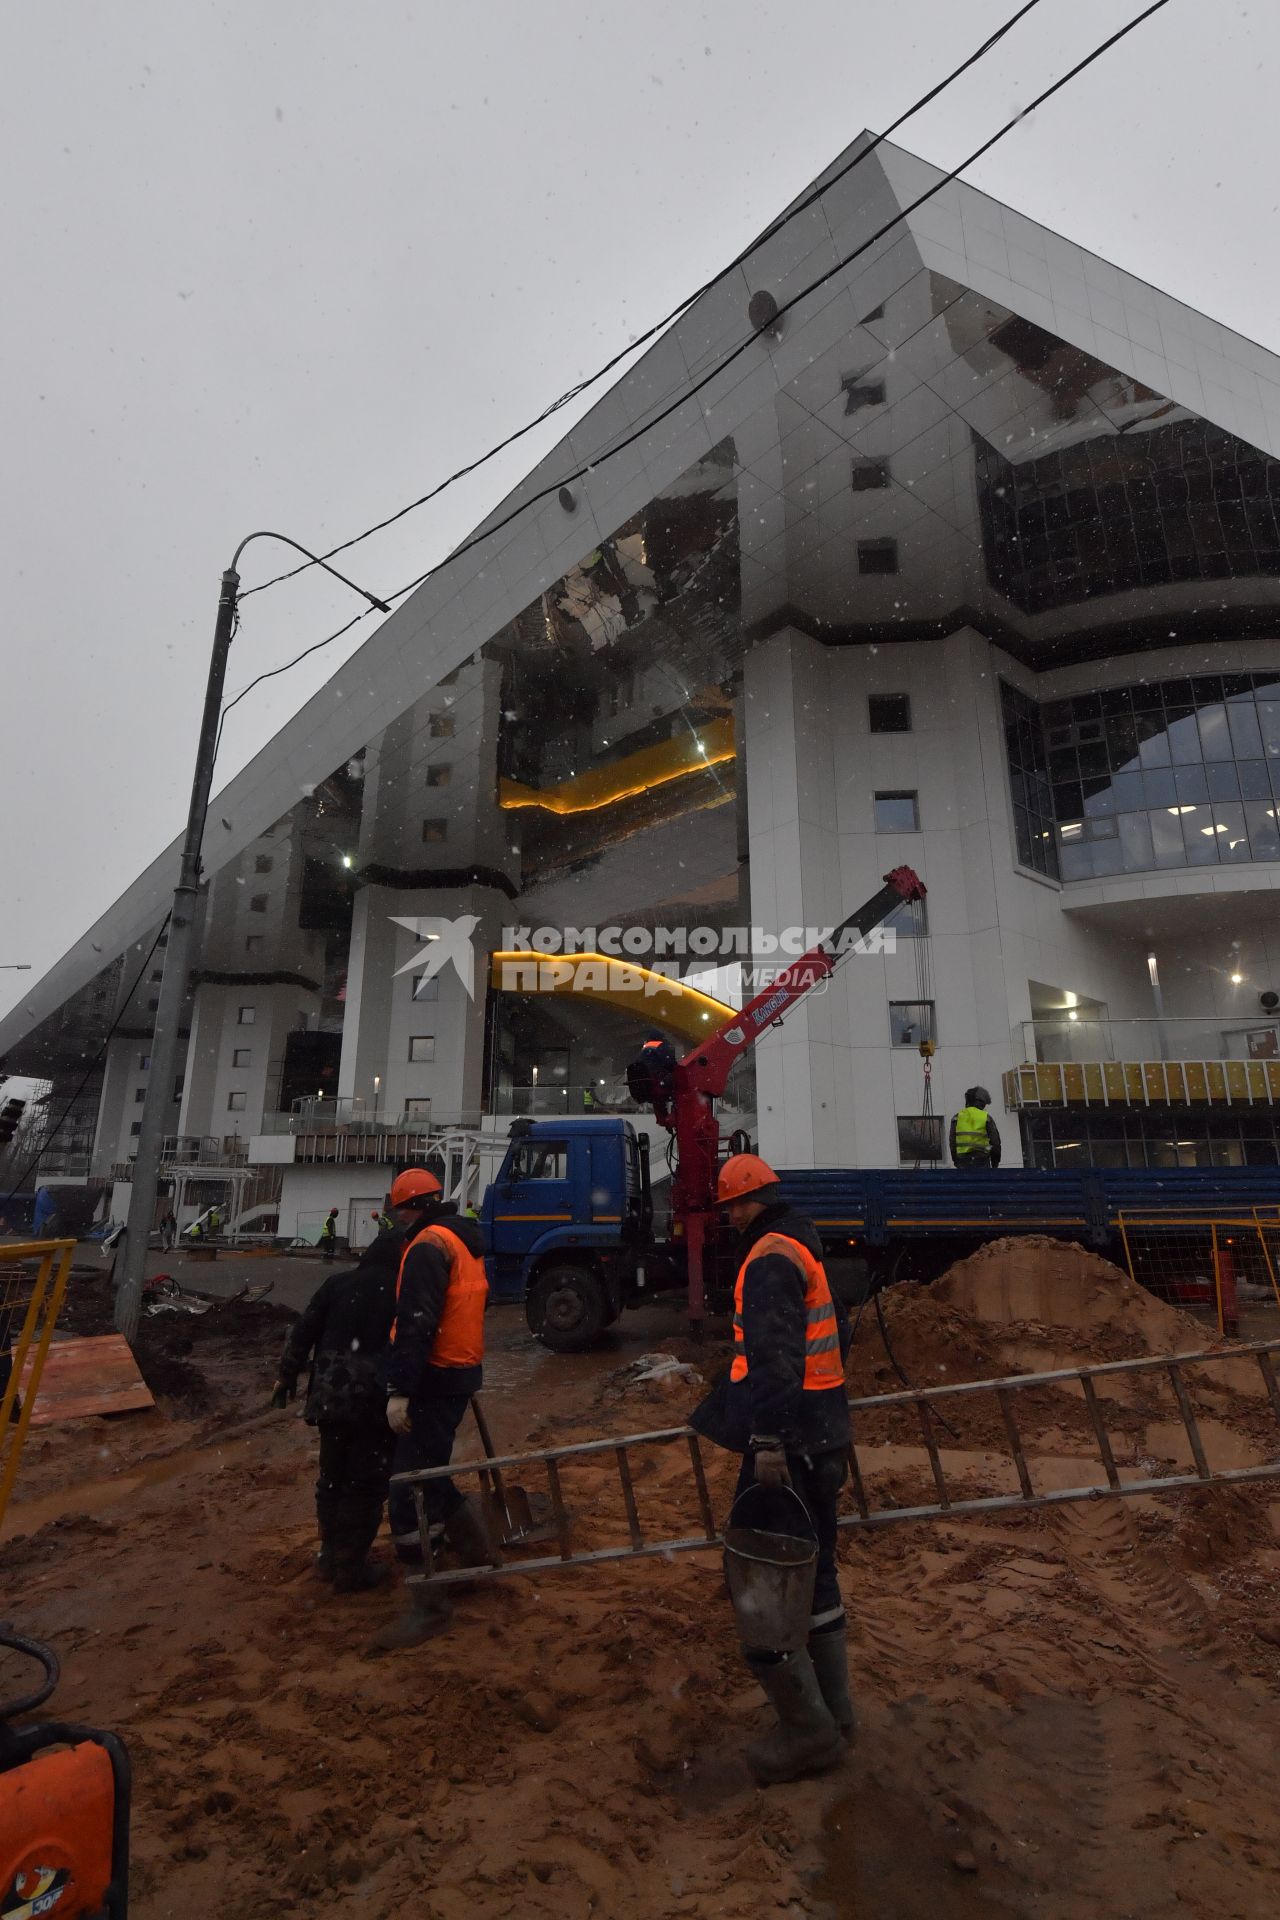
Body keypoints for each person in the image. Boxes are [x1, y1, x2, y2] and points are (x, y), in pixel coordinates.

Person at [691, 1152, 854, 1785]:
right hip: (822, 1435)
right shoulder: (802, 1245)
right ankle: (836, 1720)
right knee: (815, 1575)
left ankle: (808, 1733)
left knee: (762, 1578)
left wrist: (766, 1440)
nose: (729, 1218)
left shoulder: (767, 1260)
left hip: (789, 1444)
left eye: (731, 1207)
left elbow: (775, 1359)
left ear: (744, 1205)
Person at [371, 1166, 492, 1650]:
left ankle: (429, 1606)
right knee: (431, 1471)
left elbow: (417, 1320)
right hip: (458, 1371)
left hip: (434, 1377)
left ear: (406, 1209)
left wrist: (399, 1388)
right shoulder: (459, 1238)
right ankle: (479, 1555)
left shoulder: (425, 1246)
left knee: (407, 1489)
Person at [271, 1226, 405, 1592]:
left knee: (332, 1478)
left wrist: (287, 1375)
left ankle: (329, 1556)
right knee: (366, 1483)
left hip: (330, 1398)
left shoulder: (337, 1283)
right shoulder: (400, 1290)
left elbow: (303, 1331)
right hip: (373, 1401)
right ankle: (351, 1567)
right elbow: (412, 1345)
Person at [950, 1087, 1001, 1169]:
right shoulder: (986, 1117)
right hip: (981, 1161)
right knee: (982, 1181)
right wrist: (995, 1163)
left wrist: (956, 1161)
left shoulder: (957, 1118)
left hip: (962, 1161)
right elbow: (995, 1143)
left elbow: (952, 1143)